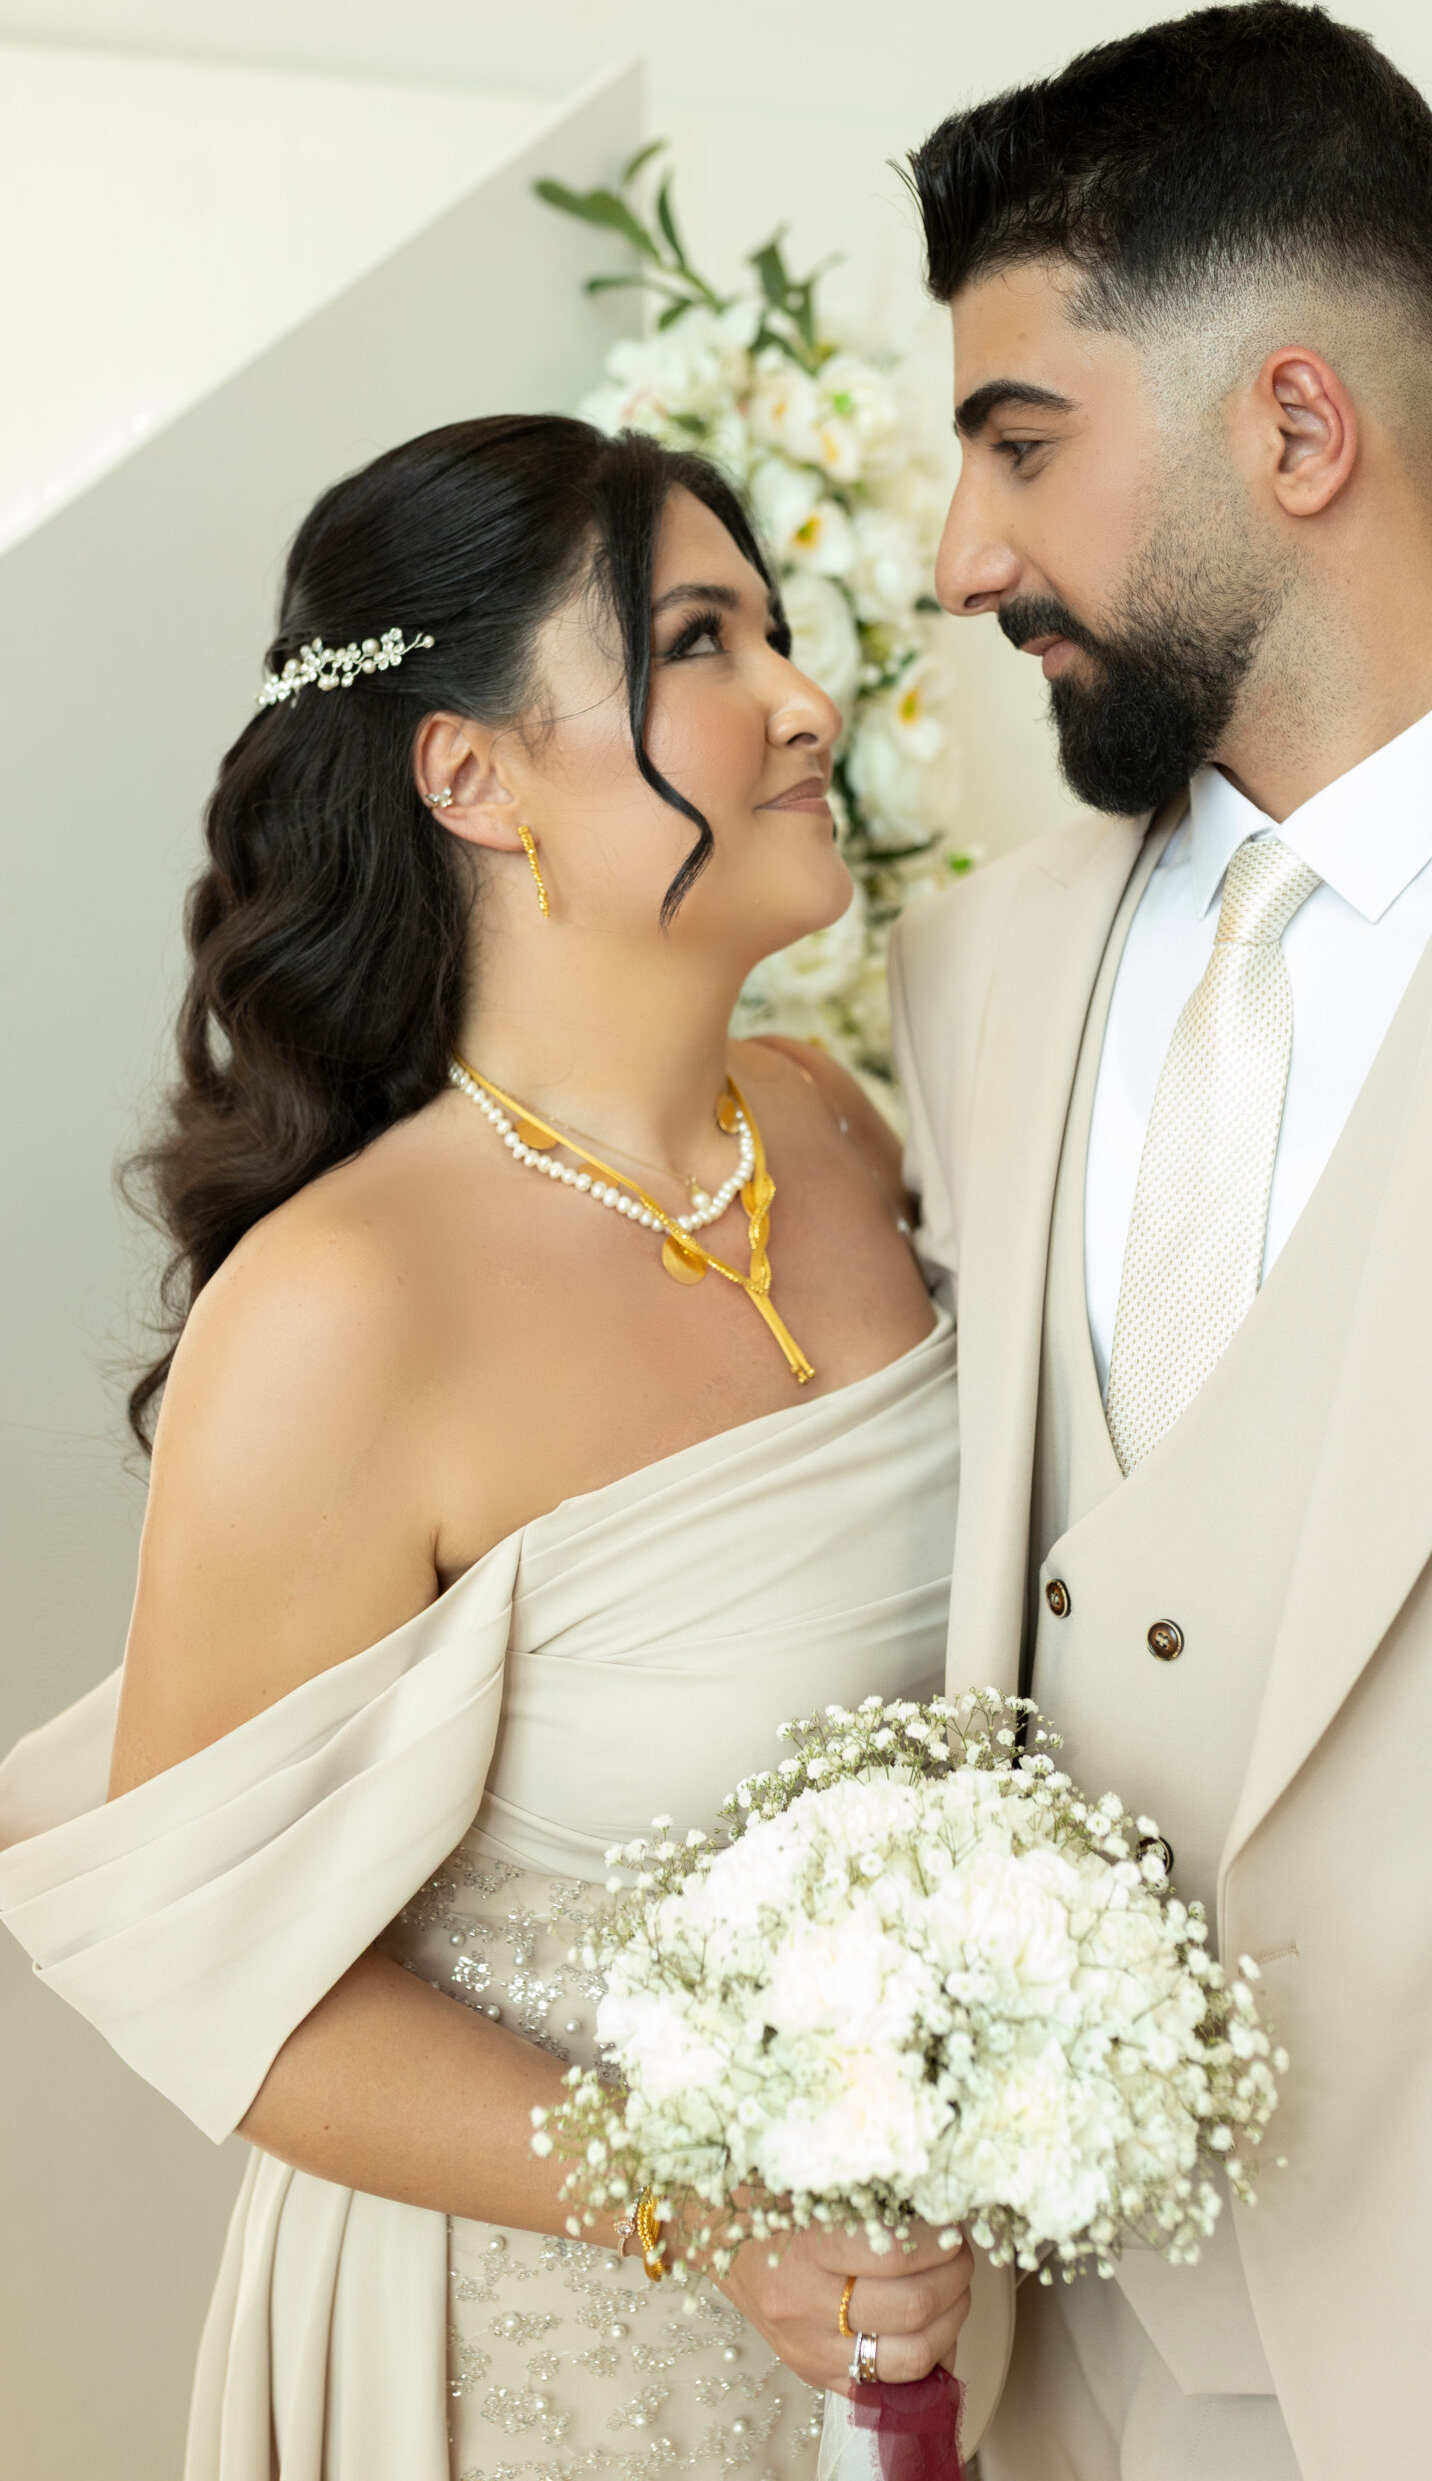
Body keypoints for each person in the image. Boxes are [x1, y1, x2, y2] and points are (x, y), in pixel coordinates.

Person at [0, 415, 1004, 2477]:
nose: (805, 702)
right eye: (701, 641)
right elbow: (221, 1972)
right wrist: (713, 2206)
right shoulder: (343, 1308)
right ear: (468, 775)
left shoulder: (830, 1127)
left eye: (775, 632)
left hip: (918, 2307)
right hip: (536, 2348)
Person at [891, 0, 1432, 2481]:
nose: (958, 558)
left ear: (1294, 425)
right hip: (1072, 2372)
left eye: (1021, 444)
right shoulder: (967, 967)